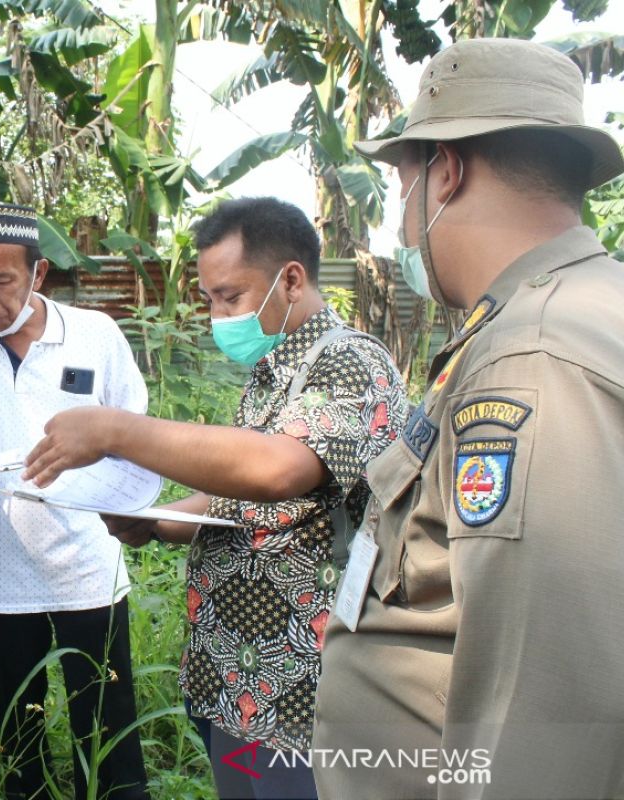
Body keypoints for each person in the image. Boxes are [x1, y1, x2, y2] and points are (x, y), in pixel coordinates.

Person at [309, 38, 624, 799]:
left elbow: (544, 707)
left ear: (445, 172)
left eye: (405, 180)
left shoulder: (533, 360)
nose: (405, 220)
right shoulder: (557, 313)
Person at [24, 197, 409, 799]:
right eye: (209, 300)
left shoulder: (350, 363)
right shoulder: (272, 372)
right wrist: (159, 522)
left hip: (301, 682)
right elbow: (248, 499)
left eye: (230, 296)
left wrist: (116, 430)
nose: (217, 316)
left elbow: (279, 471)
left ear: (291, 278)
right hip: (233, 671)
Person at [0, 202, 152, 800]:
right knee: (19, 738)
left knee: (108, 735)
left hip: (87, 571)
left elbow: (138, 440)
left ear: (38, 276)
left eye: (1, 281)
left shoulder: (94, 335)